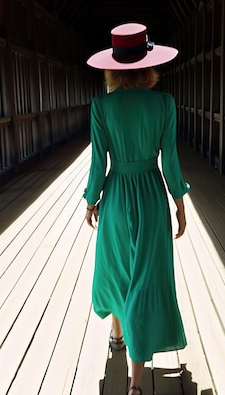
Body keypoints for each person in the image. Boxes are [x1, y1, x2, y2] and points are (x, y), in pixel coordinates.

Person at [83, 23, 190, 395]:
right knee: (146, 276)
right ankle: (136, 383)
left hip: (115, 195)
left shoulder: (101, 106)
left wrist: (90, 199)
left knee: (117, 269)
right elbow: (171, 163)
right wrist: (178, 203)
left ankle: (117, 337)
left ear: (113, 66)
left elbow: (99, 163)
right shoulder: (164, 104)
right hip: (149, 193)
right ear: (149, 65)